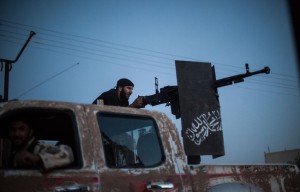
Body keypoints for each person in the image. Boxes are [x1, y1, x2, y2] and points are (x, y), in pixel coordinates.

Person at [6, 117, 74, 171]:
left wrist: (37, 158)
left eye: (21, 129)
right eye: (12, 130)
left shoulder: (39, 147)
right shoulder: (13, 152)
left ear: (30, 132)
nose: (16, 134)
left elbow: (68, 153)